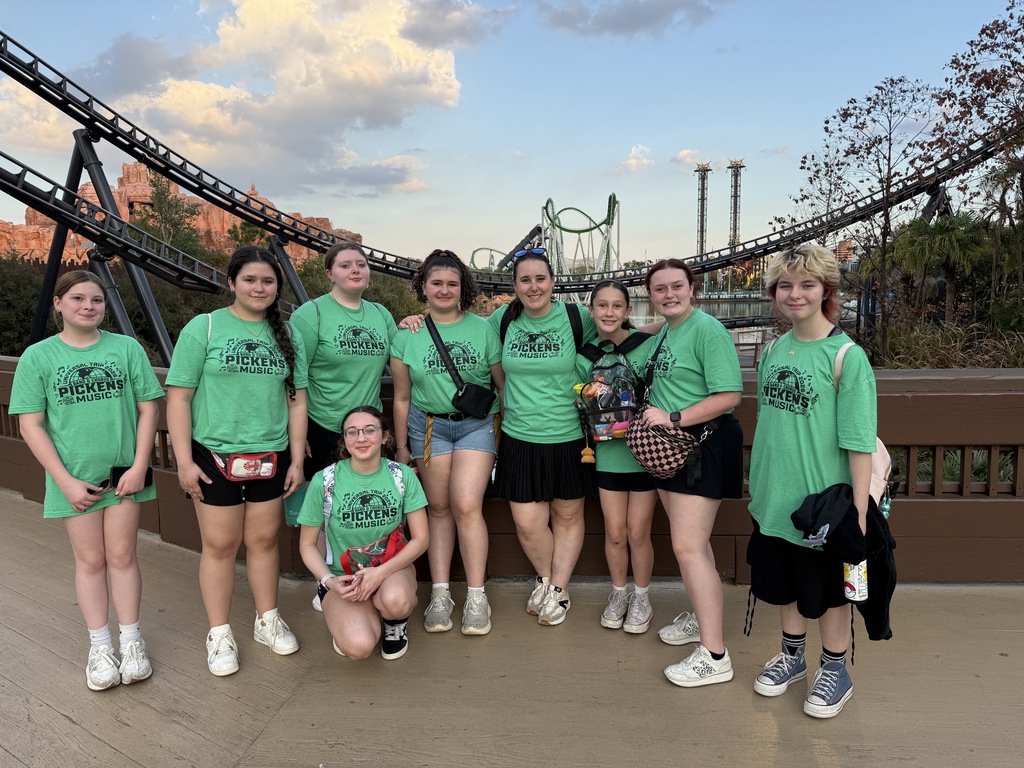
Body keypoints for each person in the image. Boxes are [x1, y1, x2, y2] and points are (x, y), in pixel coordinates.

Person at [10, 271, 163, 691]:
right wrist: (65, 481)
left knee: (122, 555)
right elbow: (32, 424)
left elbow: (149, 408)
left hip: (123, 477)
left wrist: (138, 465)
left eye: (97, 300)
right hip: (73, 478)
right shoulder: (38, 357)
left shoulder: (125, 348)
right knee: (90, 560)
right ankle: (100, 646)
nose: (88, 307)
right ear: (58, 304)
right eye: (78, 299)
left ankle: (131, 641)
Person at [747, 243, 877, 718]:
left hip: (823, 506)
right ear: (774, 292)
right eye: (785, 285)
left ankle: (835, 668)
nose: (795, 294)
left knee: (828, 593)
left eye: (806, 285)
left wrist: (858, 514)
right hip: (773, 497)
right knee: (783, 587)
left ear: (826, 290)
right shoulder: (775, 347)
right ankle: (792, 657)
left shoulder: (846, 357)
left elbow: (859, 443)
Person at [166, 246, 308, 677]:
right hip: (214, 454)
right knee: (221, 546)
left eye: (268, 281)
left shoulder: (288, 335)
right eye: (250, 279)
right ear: (231, 283)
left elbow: (297, 400)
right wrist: (185, 461)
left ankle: (267, 619)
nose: (259, 287)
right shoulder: (204, 328)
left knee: (264, 542)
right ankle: (220, 632)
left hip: (270, 452)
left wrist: (297, 457)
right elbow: (179, 397)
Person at [641, 258, 744, 687]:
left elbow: (730, 395)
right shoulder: (666, 330)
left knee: (686, 547)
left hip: (702, 445)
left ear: (691, 288)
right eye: (660, 289)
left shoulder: (707, 330)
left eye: (676, 286)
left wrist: (674, 416)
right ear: (651, 295)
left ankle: (715, 656)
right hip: (675, 449)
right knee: (696, 547)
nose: (668, 294)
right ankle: (704, 623)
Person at [390, 250, 504, 636]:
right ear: (423, 287)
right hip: (429, 428)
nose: (443, 289)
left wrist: (502, 435)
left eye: (451, 283)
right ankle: (440, 593)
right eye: (436, 283)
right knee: (437, 507)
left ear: (463, 289)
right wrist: (403, 448)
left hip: (474, 426)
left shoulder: (483, 329)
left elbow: (499, 386)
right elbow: (402, 397)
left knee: (467, 504)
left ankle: (476, 594)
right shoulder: (407, 333)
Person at [487, 247, 597, 626]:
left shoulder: (576, 316)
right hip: (519, 434)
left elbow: (619, 328)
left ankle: (557, 589)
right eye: (525, 280)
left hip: (569, 434)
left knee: (568, 515)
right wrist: (416, 321)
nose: (533, 287)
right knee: (527, 521)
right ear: (515, 285)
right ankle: (549, 579)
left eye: (540, 279)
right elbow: (463, 334)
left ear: (552, 282)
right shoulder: (502, 319)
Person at [297, 407, 429, 660]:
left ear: (384, 437)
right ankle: (354, 613)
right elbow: (307, 546)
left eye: (370, 430)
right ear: (344, 440)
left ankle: (394, 623)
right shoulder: (324, 481)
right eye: (352, 432)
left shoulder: (401, 476)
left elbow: (422, 539)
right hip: (343, 578)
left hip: (390, 568)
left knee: (396, 600)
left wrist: (379, 574)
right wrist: (328, 582)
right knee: (358, 647)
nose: (361, 438)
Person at [576, 280, 658, 633]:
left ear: (628, 310)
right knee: (614, 532)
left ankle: (642, 596)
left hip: (643, 451)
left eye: (617, 306)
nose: (609, 312)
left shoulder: (648, 345)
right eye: (602, 306)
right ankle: (619, 593)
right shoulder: (585, 355)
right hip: (606, 453)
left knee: (638, 532)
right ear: (591, 310)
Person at [290, 242, 398, 479]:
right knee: (322, 507)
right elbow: (292, 380)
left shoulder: (380, 313)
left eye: (362, 265)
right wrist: (297, 434)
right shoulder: (311, 314)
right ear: (330, 274)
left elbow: (404, 356)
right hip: (323, 428)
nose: (356, 270)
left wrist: (415, 324)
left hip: (369, 430)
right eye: (346, 265)